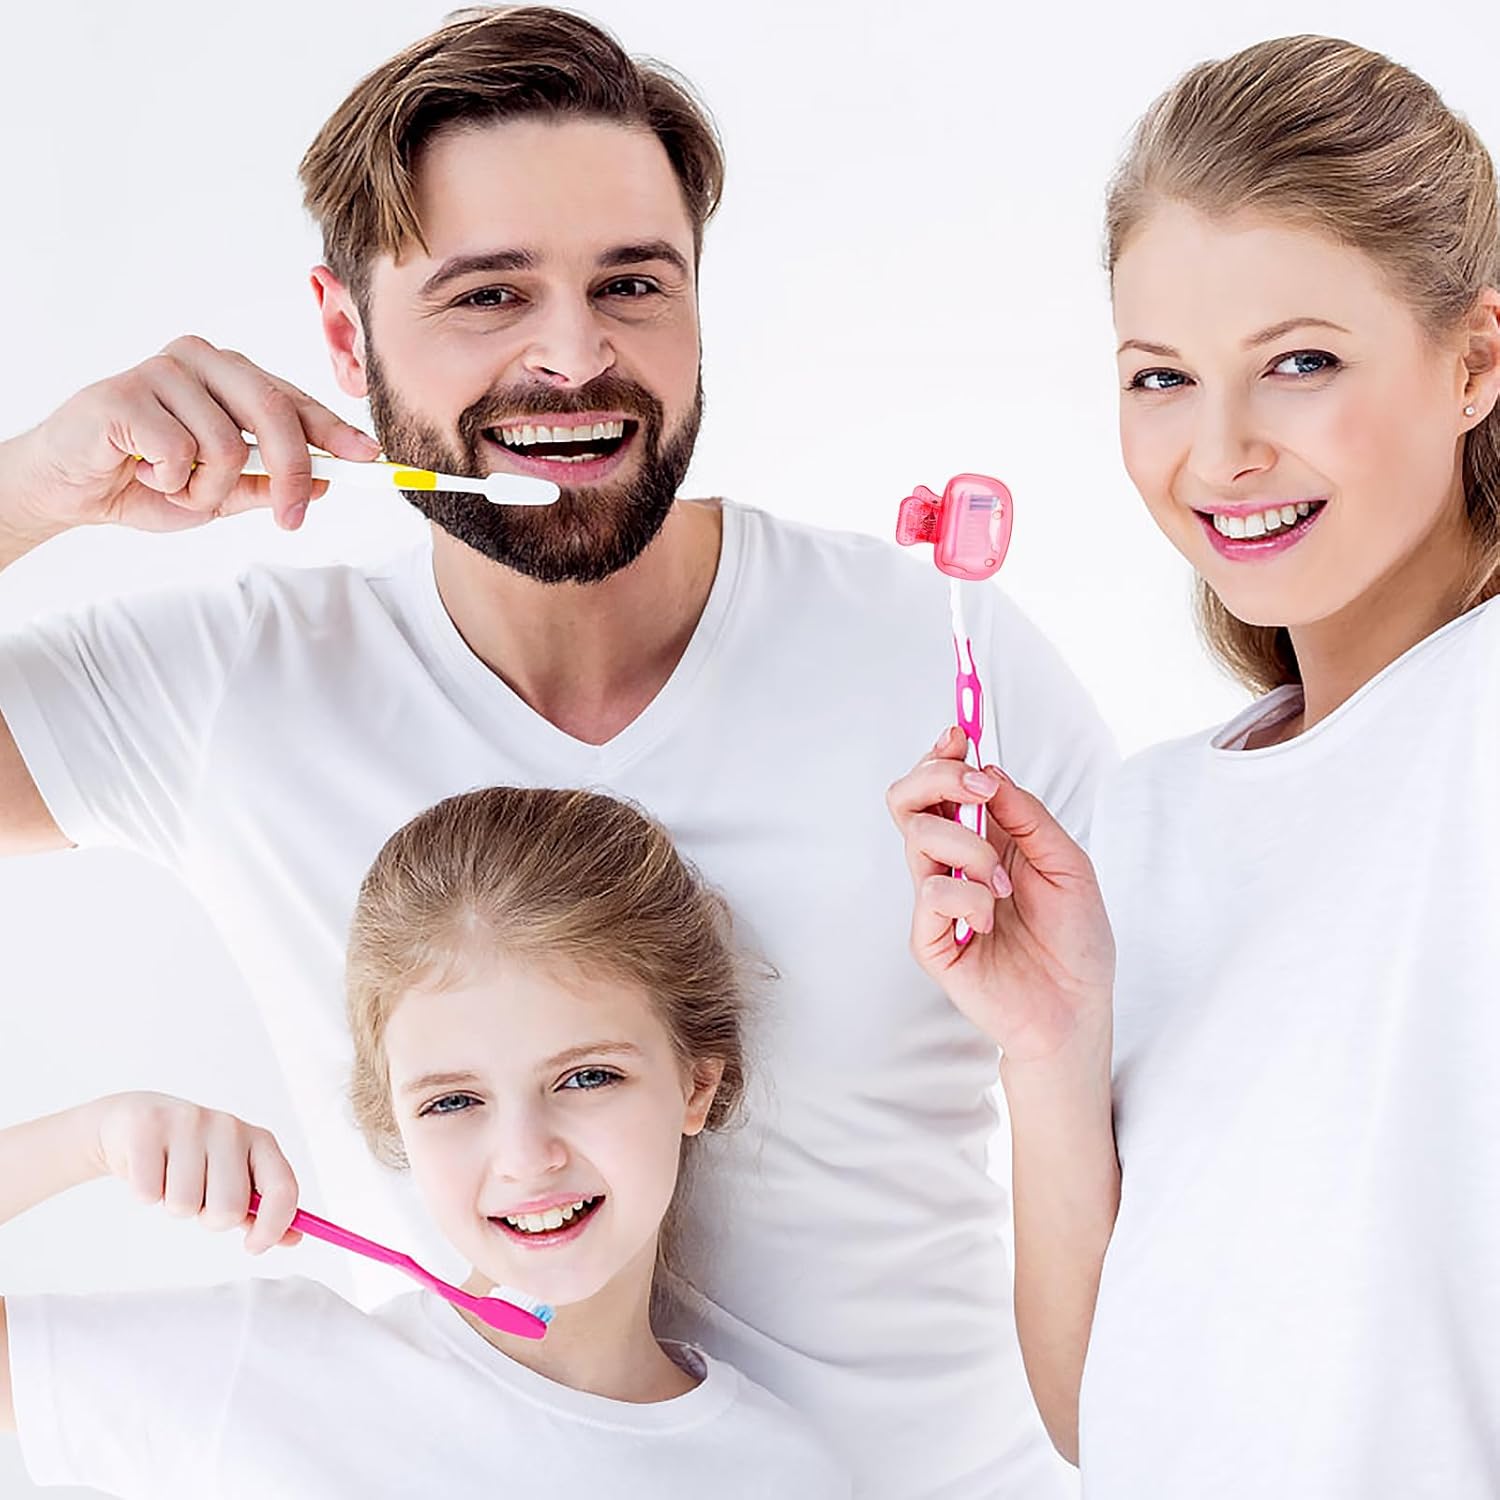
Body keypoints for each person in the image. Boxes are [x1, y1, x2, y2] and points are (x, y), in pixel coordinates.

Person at [0, 9, 1114, 1496]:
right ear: (345, 334)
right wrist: (30, 492)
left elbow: (1168, 1134)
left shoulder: (943, 658)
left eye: (632, 284)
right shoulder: (236, 687)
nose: (577, 357)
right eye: (489, 295)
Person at [887, 32, 1500, 1499]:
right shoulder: (1144, 821)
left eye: (1299, 363)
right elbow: (1112, 1416)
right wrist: (1052, 1044)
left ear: (1476, 359)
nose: (1219, 452)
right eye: (1160, 377)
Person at [0, 786, 851, 1497]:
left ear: (695, 1085)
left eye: (587, 1078)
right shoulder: (263, 1374)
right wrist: (88, 1141)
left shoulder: (783, 1474)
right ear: (394, 1119)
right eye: (454, 1101)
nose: (525, 1155)